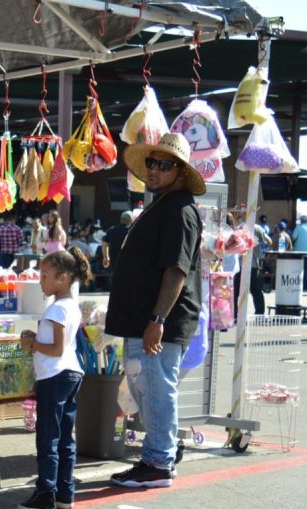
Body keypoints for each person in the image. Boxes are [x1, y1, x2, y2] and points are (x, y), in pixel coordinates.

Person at [105, 132, 204, 488]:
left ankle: (158, 462)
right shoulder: (164, 205)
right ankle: (159, 453)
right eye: (152, 162)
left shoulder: (180, 210)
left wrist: (157, 320)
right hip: (144, 320)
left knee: (155, 388)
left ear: (180, 171)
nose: (155, 170)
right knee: (146, 388)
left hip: (158, 321)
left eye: (165, 165)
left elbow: (176, 270)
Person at [17, 248, 92, 509]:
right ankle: (64, 492)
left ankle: (45, 494)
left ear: (62, 278)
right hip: (71, 373)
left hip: (55, 375)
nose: (41, 281)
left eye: (45, 276)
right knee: (64, 437)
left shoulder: (57, 308)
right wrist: (36, 341)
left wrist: (31, 343)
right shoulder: (70, 306)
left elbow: (55, 349)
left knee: (48, 436)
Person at [249, 222, 273, 314]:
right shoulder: (257, 228)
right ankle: (259, 313)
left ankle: (234, 315)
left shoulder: (238, 227)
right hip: (253, 264)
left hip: (238, 266)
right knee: (256, 291)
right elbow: (269, 242)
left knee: (235, 293)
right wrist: (262, 251)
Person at [292, 215, 307, 286]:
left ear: (301, 221)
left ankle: (297, 284)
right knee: (304, 270)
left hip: (298, 252)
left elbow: (293, 237)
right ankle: (304, 285)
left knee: (297, 270)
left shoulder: (298, 227)